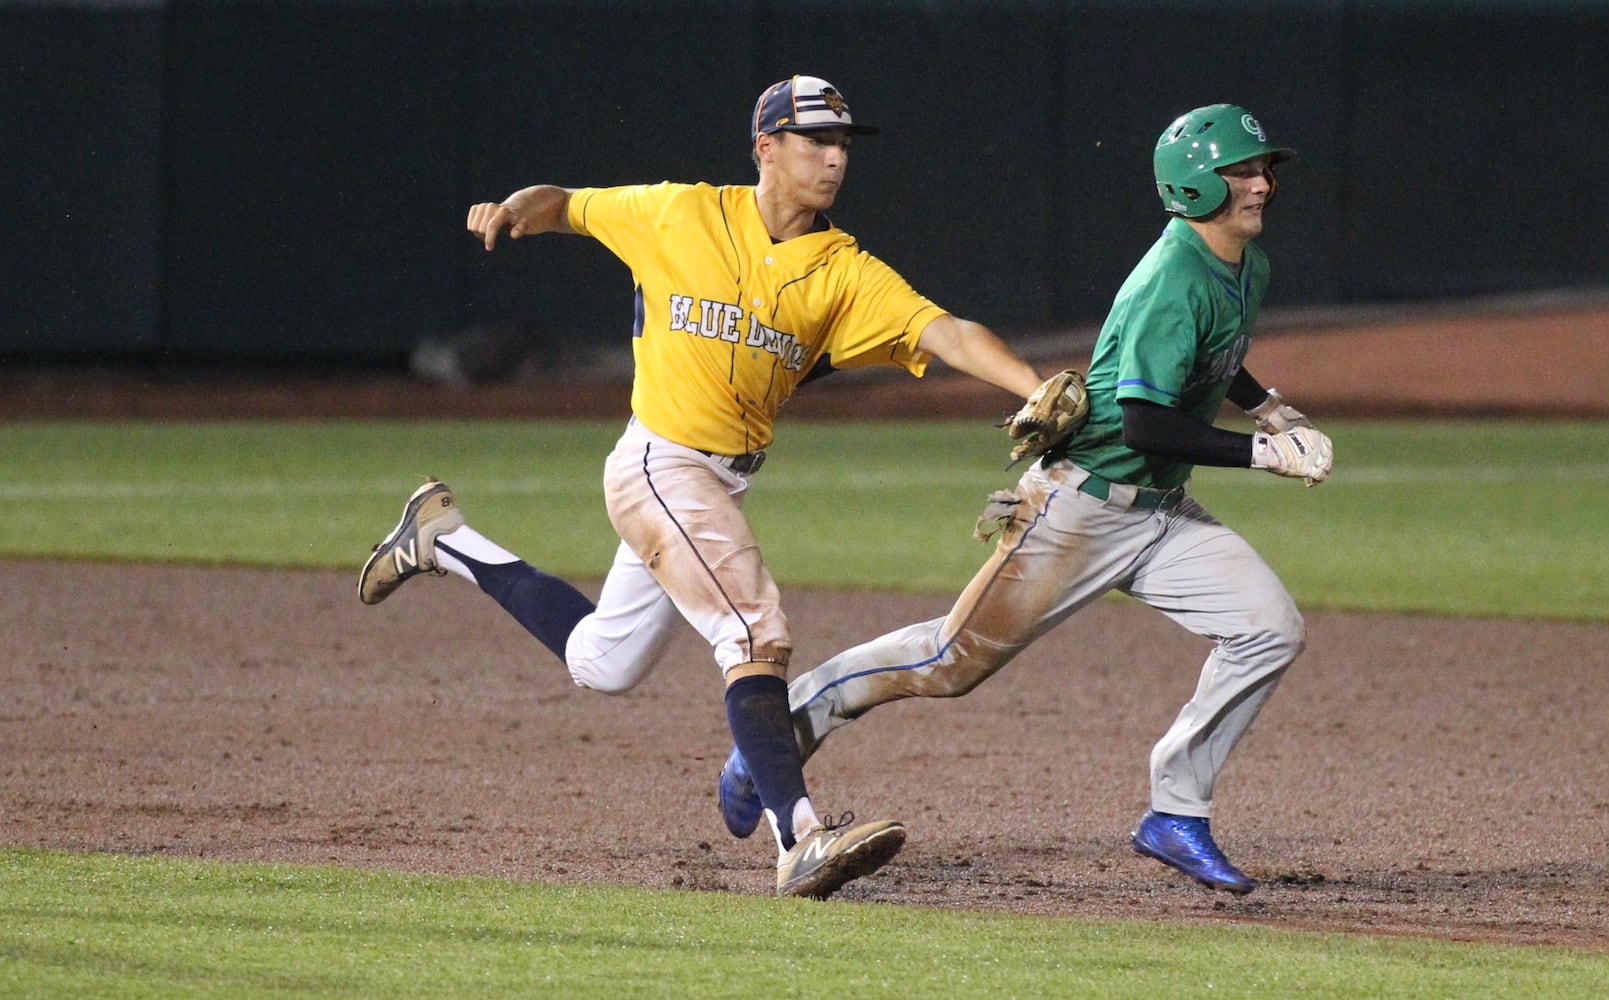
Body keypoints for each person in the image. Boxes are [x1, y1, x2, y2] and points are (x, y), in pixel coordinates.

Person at [356, 75, 1051, 899]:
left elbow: (947, 331)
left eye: (842, 145)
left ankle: (443, 538)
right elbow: (568, 203)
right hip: (658, 462)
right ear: (766, 148)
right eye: (815, 141)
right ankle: (799, 839)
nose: (834, 158)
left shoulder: (841, 269)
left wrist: (1033, 388)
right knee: (755, 633)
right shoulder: (679, 213)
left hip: (718, 482)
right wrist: (513, 206)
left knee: (601, 663)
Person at [716, 103, 1334, 896]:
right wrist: (1265, 453)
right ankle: (784, 727)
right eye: (1241, 171)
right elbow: (1146, 425)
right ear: (1192, 186)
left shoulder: (1246, 264)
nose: (1262, 183)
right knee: (947, 663)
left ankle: (1175, 813)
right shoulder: (1168, 278)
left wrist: (1268, 405)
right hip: (1080, 509)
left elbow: (1221, 352)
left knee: (1268, 629)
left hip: (1159, 514)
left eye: (1263, 168)